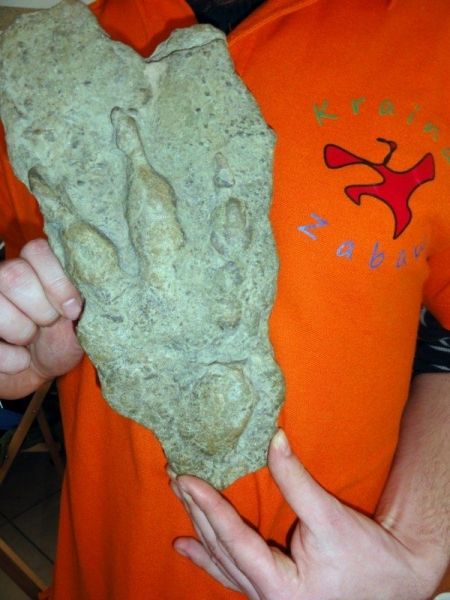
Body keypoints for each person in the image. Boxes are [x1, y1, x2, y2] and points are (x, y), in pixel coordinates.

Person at [0, 0, 449, 598]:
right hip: (113, 571)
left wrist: (416, 540)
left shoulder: (433, 39)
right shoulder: (50, 68)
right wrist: (15, 360)